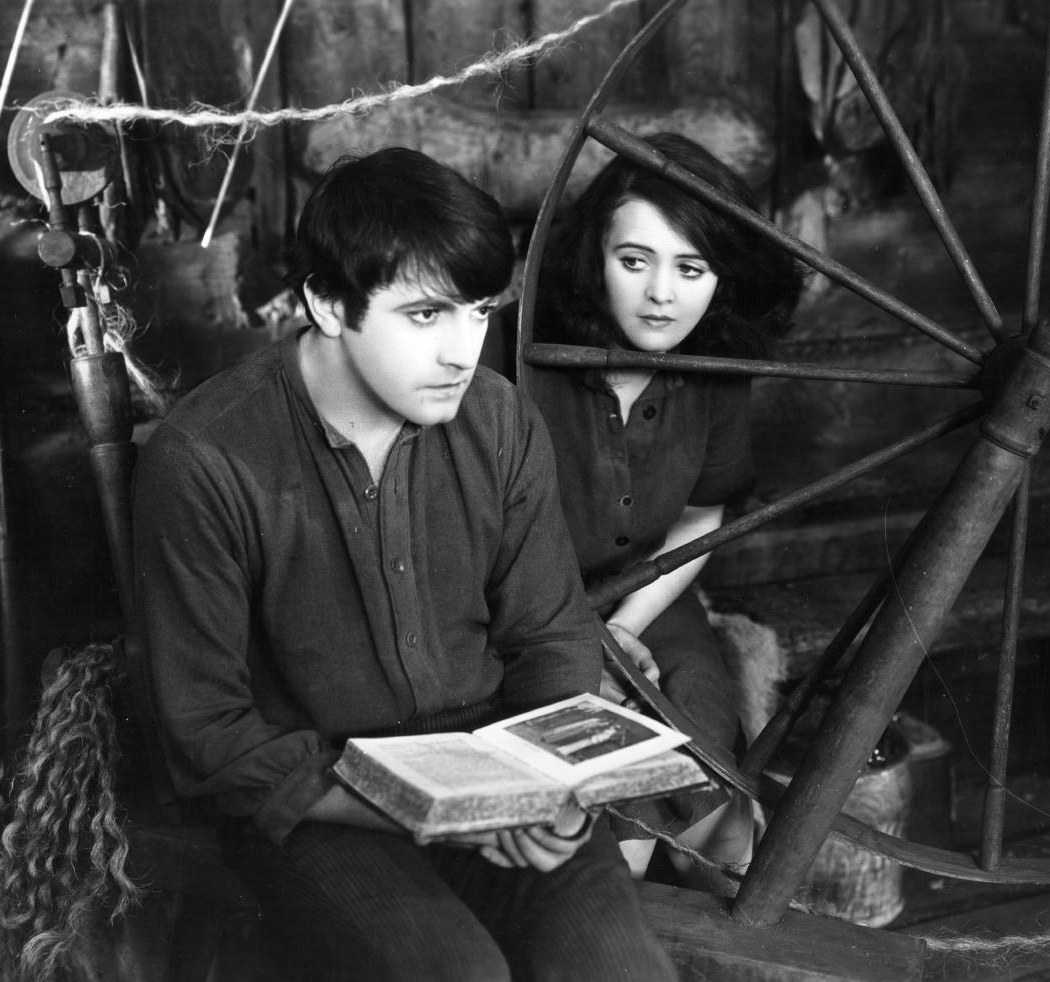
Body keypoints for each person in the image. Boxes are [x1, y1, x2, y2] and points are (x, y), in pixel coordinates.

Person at [132, 146, 677, 981]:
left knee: (617, 971)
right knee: (458, 974)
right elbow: (210, 733)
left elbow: (547, 631)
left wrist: (559, 793)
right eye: (425, 316)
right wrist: (424, 815)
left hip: (499, 781)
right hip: (320, 804)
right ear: (325, 302)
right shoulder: (207, 457)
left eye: (480, 312)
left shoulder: (498, 421)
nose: (463, 350)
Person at [488, 133, 800, 890]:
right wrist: (582, 646)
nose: (661, 294)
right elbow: (470, 537)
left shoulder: (713, 371)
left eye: (690, 268)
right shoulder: (512, 348)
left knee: (716, 809)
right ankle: (607, 911)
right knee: (605, 816)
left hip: (648, 600)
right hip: (514, 612)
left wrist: (623, 630)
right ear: (595, 255)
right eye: (635, 261)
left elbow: (702, 516)